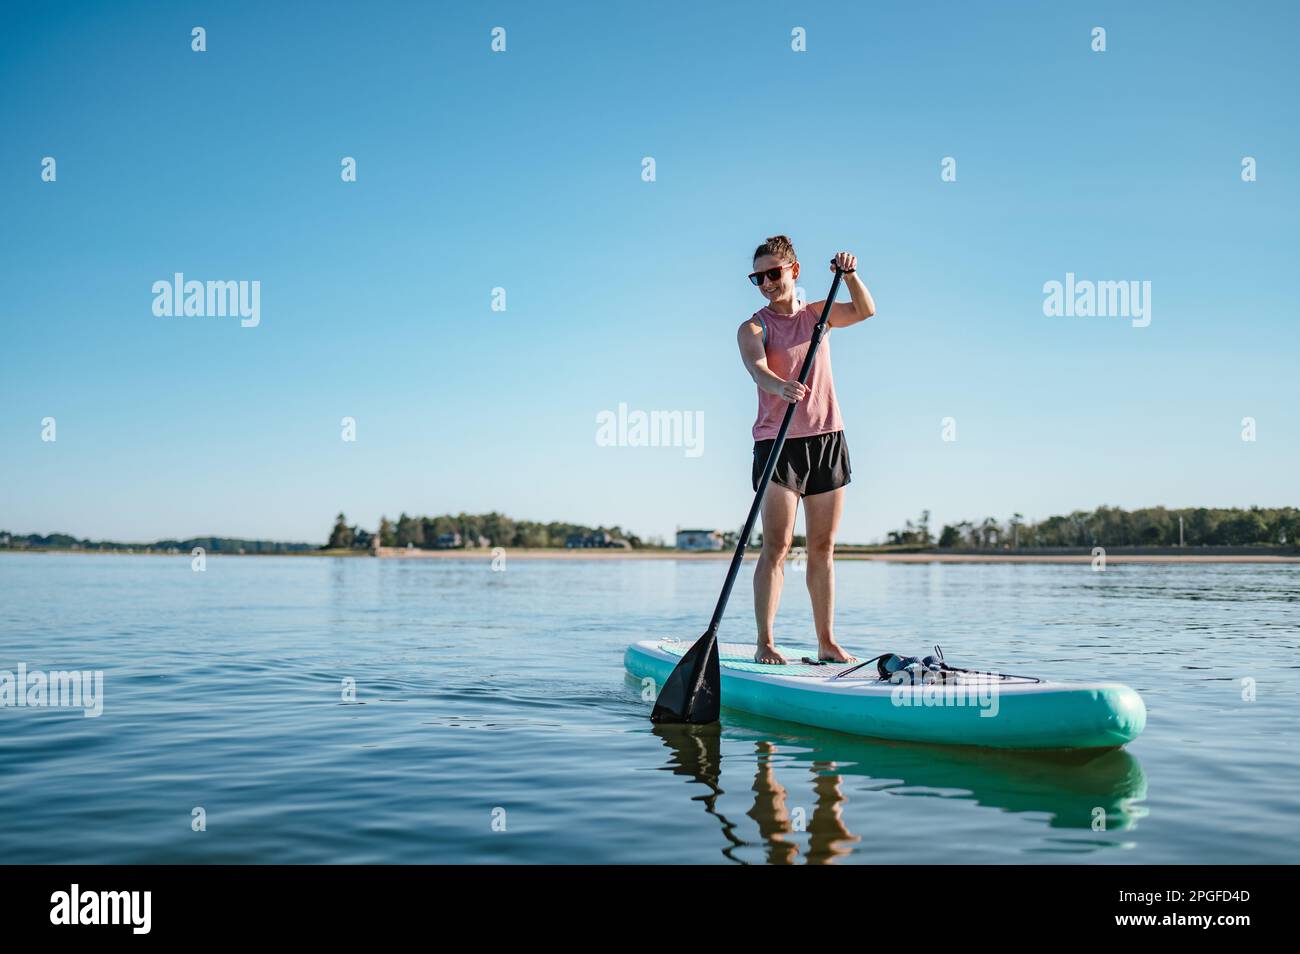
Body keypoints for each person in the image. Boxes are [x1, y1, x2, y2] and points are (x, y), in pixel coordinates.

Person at [736, 236, 875, 664]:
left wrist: (850, 277)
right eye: (757, 277)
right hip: (778, 444)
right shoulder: (753, 327)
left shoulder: (818, 314)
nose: (766, 283)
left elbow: (865, 311)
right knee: (776, 547)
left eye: (773, 274)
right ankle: (766, 642)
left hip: (827, 438)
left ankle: (827, 642)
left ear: (794, 271)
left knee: (822, 547)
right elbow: (757, 369)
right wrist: (780, 386)